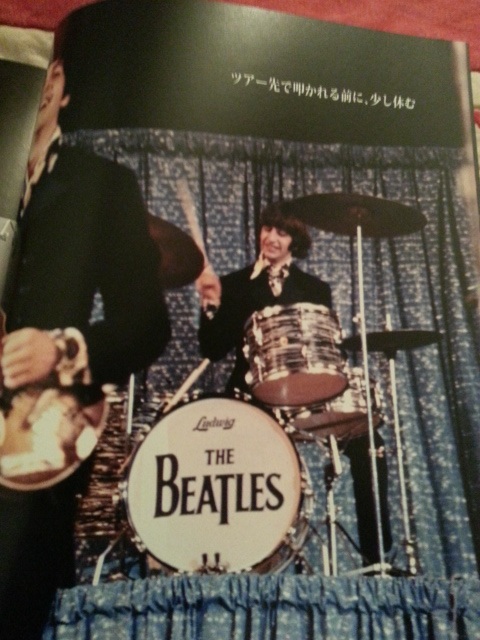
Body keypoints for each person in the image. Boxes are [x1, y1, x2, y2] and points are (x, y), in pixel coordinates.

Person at [0, 58, 171, 639]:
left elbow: (147, 324)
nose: (43, 87)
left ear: (62, 87)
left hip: (33, 440)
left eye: (53, 75)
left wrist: (60, 349)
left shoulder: (103, 184)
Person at [197, 202, 391, 569]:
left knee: (370, 443)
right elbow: (212, 349)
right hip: (253, 400)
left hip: (306, 399)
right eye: (267, 228)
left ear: (295, 242)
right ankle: (243, 561)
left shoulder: (315, 289)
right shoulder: (233, 284)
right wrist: (210, 305)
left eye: (282, 232)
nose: (271, 237)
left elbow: (326, 350)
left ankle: (375, 560)